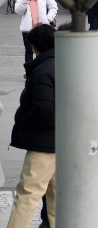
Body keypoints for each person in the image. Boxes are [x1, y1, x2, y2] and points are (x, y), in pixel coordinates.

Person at [7, 25, 57, 228]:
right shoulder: (68, 64)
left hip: (44, 144)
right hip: (66, 141)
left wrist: (23, 121)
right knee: (58, 200)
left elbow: (43, 109)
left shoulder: (43, 70)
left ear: (34, 47)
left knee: (27, 195)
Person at [15, 0, 58, 65]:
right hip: (28, 28)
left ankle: (39, 68)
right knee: (29, 51)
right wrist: (25, 0)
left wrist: (48, 18)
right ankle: (29, 72)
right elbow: (18, 11)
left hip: (41, 28)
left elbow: (53, 7)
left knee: (41, 50)